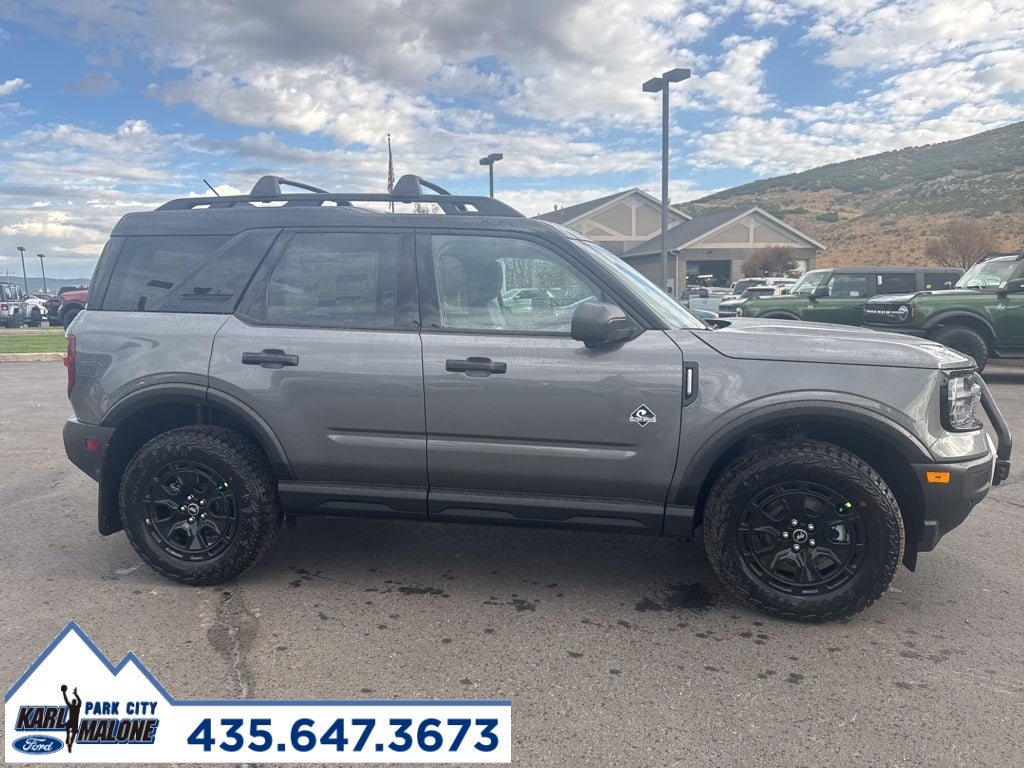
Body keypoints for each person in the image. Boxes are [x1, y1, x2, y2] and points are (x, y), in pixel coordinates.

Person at [61, 684, 82, 753]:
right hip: (74, 722)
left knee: (69, 728)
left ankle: (68, 740)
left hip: (72, 721)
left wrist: (64, 693)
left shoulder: (72, 706)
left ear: (73, 702)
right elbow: (79, 701)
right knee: (73, 733)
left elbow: (66, 700)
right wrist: (76, 694)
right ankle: (69, 741)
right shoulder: (77, 707)